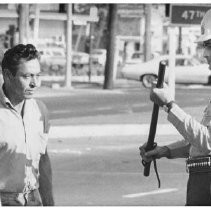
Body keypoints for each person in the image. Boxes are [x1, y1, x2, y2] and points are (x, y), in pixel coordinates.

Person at [139, 9, 211, 206]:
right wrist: (165, 150)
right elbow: (200, 145)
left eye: (210, 45)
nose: (205, 54)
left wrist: (170, 105)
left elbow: (208, 142)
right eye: (205, 46)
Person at [0, 44, 54, 206]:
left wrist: (49, 202)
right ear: (8, 75)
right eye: (27, 76)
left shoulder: (40, 110)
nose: (34, 83)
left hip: (33, 200)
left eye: (38, 75)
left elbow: (43, 159)